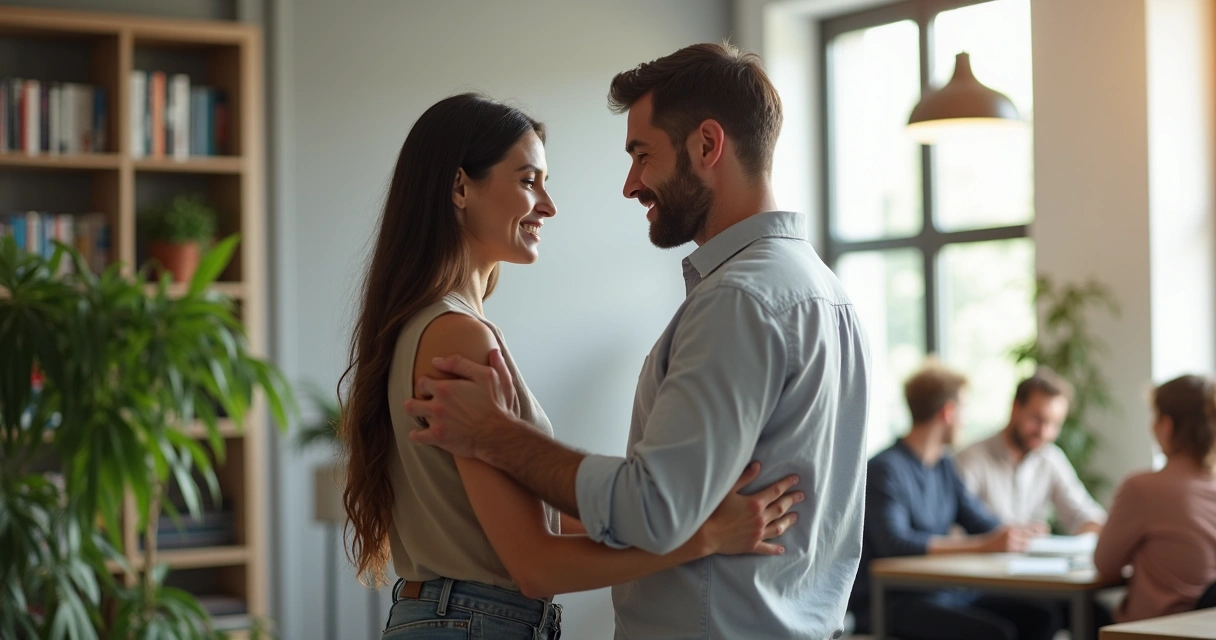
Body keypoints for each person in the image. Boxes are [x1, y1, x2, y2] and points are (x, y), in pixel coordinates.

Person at [404, 43, 870, 639]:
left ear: (707, 145)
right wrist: (705, 530)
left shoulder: (740, 300)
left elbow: (649, 510)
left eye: (642, 155)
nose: (630, 185)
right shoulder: (827, 294)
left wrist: (497, 435)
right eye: (529, 181)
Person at [338, 93, 804, 640]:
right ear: (460, 187)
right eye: (528, 181)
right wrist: (705, 537)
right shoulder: (458, 335)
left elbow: (533, 519)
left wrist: (672, 510)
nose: (549, 205)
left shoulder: (432, 325)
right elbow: (536, 565)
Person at [849, 362, 1060, 640]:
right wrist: (985, 546)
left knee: (1043, 616)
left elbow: (979, 521)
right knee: (995, 634)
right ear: (948, 412)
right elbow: (896, 544)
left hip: (944, 591)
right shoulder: (884, 469)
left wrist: (1015, 533)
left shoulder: (944, 466)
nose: (966, 419)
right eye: (964, 409)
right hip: (894, 600)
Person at [1094, 374, 1216, 621]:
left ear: (1166, 425)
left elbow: (1105, 565)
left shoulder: (1143, 489)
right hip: (1203, 629)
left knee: (1081, 615)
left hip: (1153, 629)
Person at [956, 368, 1106, 535]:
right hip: (981, 560)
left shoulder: (1051, 459)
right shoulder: (971, 459)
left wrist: (1105, 528)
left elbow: (1083, 513)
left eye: (1054, 424)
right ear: (1015, 408)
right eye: (1037, 419)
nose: (1044, 432)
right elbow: (955, 527)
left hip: (1031, 560)